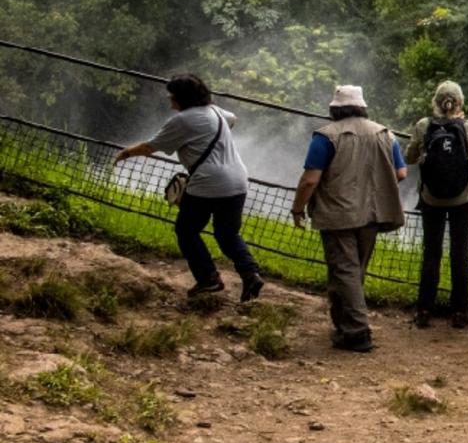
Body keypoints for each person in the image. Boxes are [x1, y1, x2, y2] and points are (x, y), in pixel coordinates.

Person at [114, 74, 264, 302]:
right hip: (237, 180)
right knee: (227, 234)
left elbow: (150, 146)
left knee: (187, 230)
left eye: (172, 95)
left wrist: (125, 153)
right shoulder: (215, 111)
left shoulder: (182, 121)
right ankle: (250, 274)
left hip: (207, 182)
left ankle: (208, 278)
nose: (169, 100)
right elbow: (233, 119)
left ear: (181, 97)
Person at [290, 85, 407, 352]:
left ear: (335, 109)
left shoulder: (326, 136)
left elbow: (310, 180)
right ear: (362, 106)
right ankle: (343, 324)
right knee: (353, 271)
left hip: (338, 212)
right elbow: (401, 173)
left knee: (344, 270)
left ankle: (357, 332)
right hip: (373, 212)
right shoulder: (385, 134)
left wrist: (298, 209)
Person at [405, 80, 468, 329]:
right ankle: (459, 311)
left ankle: (424, 309)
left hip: (430, 197)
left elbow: (410, 157)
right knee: (460, 253)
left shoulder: (424, 125)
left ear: (435, 102)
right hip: (462, 198)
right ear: (460, 103)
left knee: (431, 252)